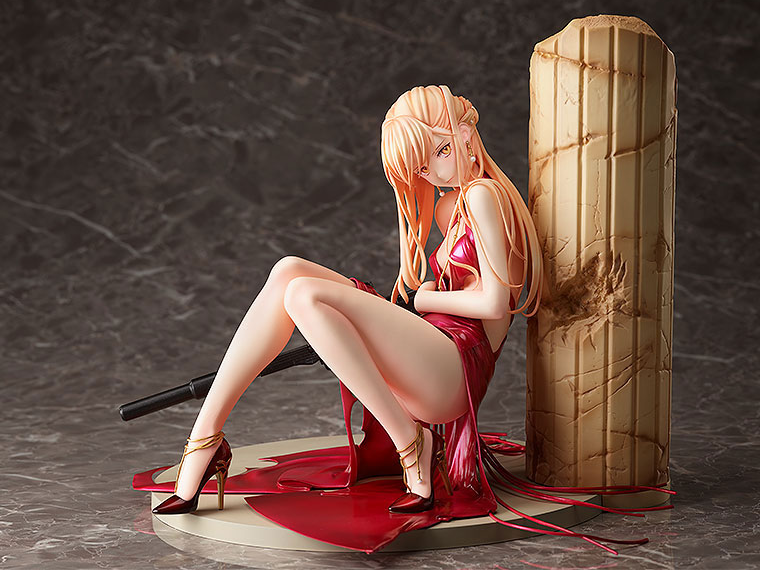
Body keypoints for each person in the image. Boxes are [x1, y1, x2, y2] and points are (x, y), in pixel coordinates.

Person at [151, 84, 543, 519]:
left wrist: (427, 295)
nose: (433, 174)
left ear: (465, 134)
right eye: (421, 167)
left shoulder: (484, 195)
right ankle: (204, 439)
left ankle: (411, 443)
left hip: (456, 369)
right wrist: (430, 295)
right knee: (287, 270)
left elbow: (495, 304)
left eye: (441, 152)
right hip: (432, 348)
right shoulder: (452, 205)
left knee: (304, 293)